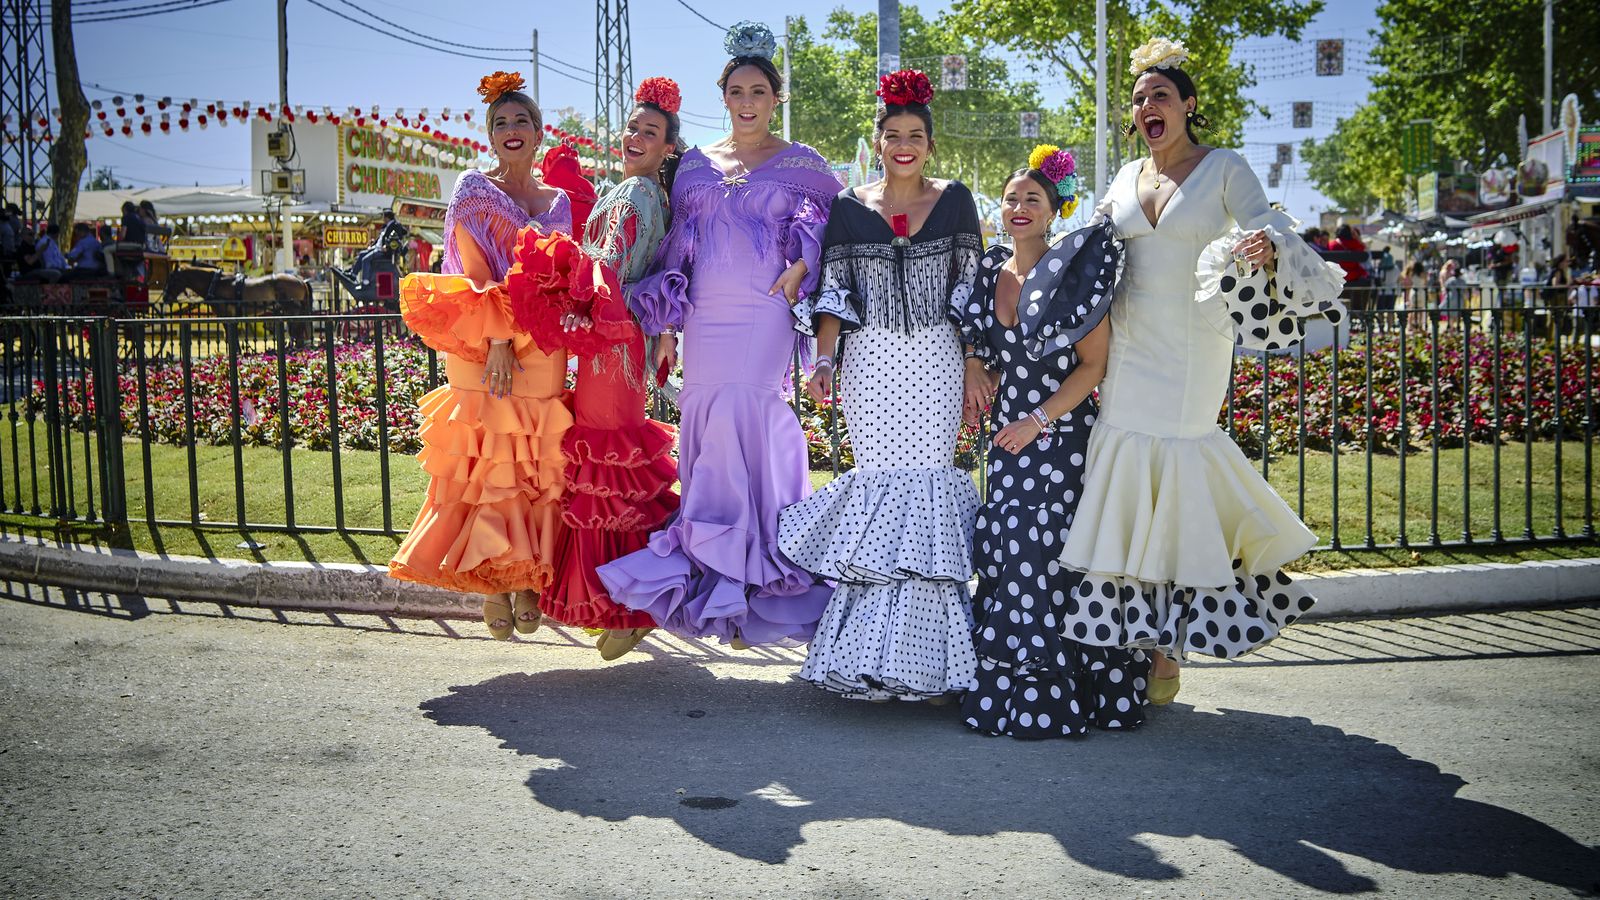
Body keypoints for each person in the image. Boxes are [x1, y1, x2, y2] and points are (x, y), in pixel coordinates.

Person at [1057, 39, 1343, 704]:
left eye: (1160, 95)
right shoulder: (1124, 176)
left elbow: (1271, 223)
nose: (1147, 107)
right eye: (1139, 100)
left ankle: (1168, 644)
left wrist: (1264, 245)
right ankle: (1135, 637)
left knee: (1176, 480)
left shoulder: (1224, 167)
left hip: (1193, 354)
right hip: (1128, 350)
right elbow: (1090, 243)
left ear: (1188, 105)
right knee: (1126, 479)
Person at [597, 21, 837, 648]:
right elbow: (678, 249)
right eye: (736, 91)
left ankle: (748, 581)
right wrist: (667, 327)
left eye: (759, 91)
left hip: (766, 311)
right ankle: (712, 582)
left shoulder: (806, 164)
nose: (747, 102)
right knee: (705, 426)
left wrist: (803, 265)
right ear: (724, 97)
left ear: (776, 98)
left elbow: (837, 232)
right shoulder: (695, 165)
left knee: (744, 415)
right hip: (706, 315)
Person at [777, 70, 982, 701]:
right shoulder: (849, 206)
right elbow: (835, 291)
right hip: (870, 368)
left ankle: (927, 662)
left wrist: (975, 361)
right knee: (879, 493)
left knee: (925, 492)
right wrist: (824, 360)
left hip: (938, 364)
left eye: (915, 135)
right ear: (878, 141)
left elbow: (969, 284)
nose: (904, 145)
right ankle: (867, 658)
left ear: (931, 144)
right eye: (893, 134)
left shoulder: (956, 201)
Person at [952, 151, 1149, 736]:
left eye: (1031, 200)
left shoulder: (1074, 276)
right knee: (1011, 553)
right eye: (1011, 199)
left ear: (1053, 210)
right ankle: (1012, 686)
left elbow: (1093, 365)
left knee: (1046, 556)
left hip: (1059, 437)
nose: (1018, 208)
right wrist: (974, 364)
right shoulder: (990, 270)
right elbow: (977, 337)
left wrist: (1037, 419)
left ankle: (1058, 691)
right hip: (1007, 439)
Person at [388, 71, 574, 640]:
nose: (511, 129)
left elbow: (559, 276)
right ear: (490, 136)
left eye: (521, 120)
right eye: (500, 123)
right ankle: (492, 581)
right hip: (480, 343)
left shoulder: (560, 202)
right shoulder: (472, 188)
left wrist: (520, 334)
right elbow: (473, 270)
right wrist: (496, 339)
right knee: (487, 467)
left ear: (538, 132)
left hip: (540, 345)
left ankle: (527, 579)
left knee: (534, 467)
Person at [508, 77, 685, 660]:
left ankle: (631, 607)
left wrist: (561, 276)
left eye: (650, 132)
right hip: (619, 341)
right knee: (613, 469)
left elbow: (604, 270)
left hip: (611, 342)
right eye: (633, 127)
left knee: (606, 470)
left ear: (667, 147)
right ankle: (632, 600)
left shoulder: (635, 194)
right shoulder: (647, 193)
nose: (636, 137)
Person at [1327, 223, 1371, 326]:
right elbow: (1364, 249)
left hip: (1338, 279)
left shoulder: (1332, 244)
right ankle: (1361, 316)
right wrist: (1357, 238)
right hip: (1354, 278)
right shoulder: (1355, 243)